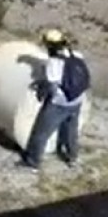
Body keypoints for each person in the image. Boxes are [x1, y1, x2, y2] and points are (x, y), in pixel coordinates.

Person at [16, 29, 90, 172]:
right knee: (70, 131)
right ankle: (72, 158)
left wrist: (41, 91)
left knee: (41, 132)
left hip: (59, 103)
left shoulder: (54, 62)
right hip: (77, 100)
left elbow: (52, 86)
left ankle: (33, 162)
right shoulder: (77, 55)